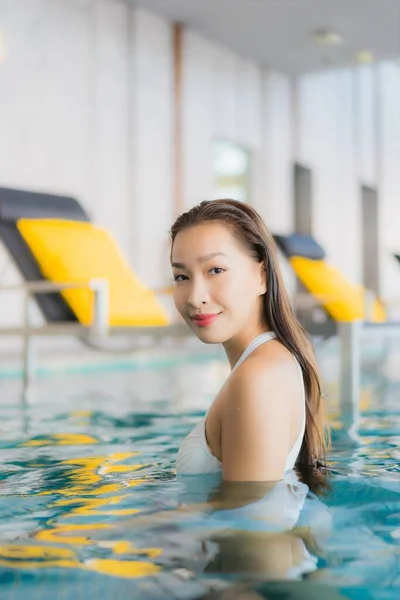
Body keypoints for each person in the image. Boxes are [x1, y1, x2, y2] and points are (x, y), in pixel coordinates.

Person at [171, 199, 329, 482]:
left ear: (262, 276)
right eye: (181, 276)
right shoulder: (269, 362)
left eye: (215, 270)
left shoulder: (259, 377)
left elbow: (252, 523)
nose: (195, 297)